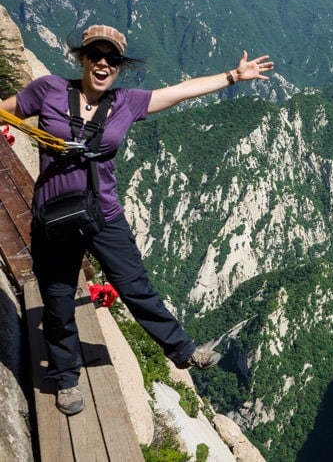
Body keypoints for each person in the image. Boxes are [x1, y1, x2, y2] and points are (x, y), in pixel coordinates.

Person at [0, 24, 275, 415]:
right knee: (58, 301)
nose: (102, 63)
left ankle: (182, 351)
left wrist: (232, 76)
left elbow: (179, 92)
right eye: (95, 54)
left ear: (120, 66)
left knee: (134, 286)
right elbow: (6, 110)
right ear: (81, 57)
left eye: (111, 58)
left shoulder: (126, 102)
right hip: (55, 217)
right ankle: (64, 380)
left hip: (104, 215)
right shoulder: (47, 91)